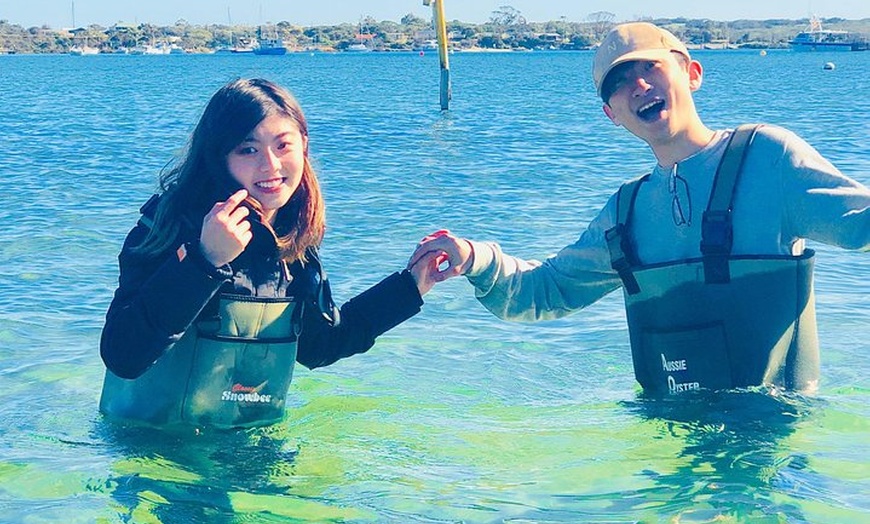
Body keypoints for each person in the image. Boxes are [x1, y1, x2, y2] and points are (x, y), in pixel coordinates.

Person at [410, 23, 870, 396]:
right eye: (619, 83)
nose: (638, 85)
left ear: (692, 73)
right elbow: (545, 292)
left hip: (773, 434)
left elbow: (858, 226)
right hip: (668, 440)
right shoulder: (625, 214)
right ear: (611, 113)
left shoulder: (767, 157)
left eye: (649, 67)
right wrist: (475, 258)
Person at [99, 78, 441, 428]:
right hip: (153, 449)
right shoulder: (169, 224)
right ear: (218, 157)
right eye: (248, 150)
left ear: (304, 146)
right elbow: (123, 354)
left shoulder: (292, 237)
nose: (271, 166)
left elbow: (319, 345)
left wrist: (412, 284)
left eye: (283, 146)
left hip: (250, 446)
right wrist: (204, 260)